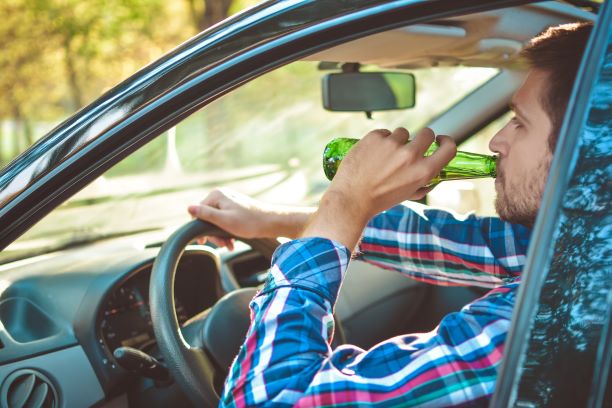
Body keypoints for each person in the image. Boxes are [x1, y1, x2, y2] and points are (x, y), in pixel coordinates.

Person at [187, 22, 592, 407]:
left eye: (520, 123)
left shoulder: (556, 319)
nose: (496, 140)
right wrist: (272, 218)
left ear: (586, 152)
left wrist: (344, 201)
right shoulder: (584, 248)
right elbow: (455, 241)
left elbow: (270, 400)